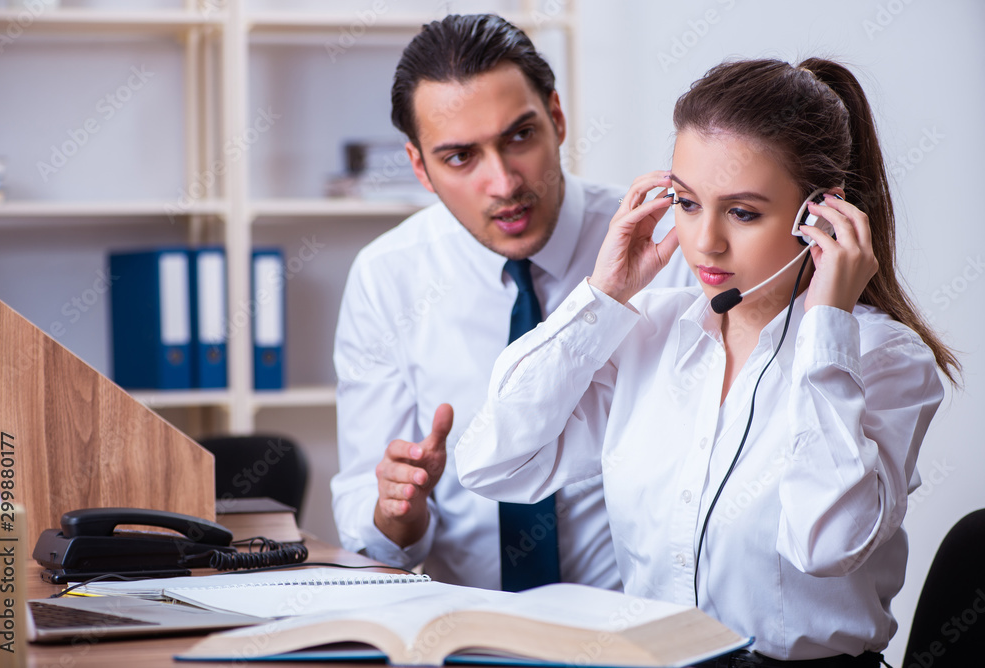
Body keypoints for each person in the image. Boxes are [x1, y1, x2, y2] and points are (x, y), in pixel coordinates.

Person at [456, 57, 960, 665]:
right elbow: (492, 464)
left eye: (743, 212)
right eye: (688, 204)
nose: (704, 241)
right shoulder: (649, 333)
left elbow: (827, 544)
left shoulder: (881, 357)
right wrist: (601, 298)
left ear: (820, 217)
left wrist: (829, 325)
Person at [331, 13, 695, 590]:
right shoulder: (387, 277)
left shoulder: (671, 250)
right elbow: (372, 535)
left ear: (556, 117)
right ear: (419, 168)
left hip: (640, 627)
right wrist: (399, 508)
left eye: (519, 136)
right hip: (466, 631)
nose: (503, 183)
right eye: (460, 158)